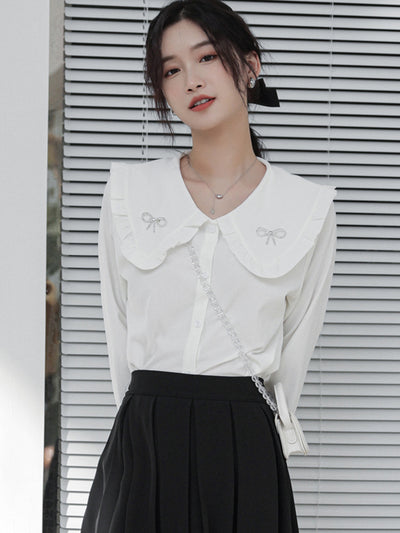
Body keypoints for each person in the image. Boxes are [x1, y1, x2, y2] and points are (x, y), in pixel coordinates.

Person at [81, 1, 337, 532]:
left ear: (250, 64)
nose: (191, 80)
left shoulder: (307, 207)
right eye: (171, 70)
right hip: (144, 436)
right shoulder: (129, 192)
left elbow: (295, 349)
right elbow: (118, 326)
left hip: (244, 442)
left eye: (207, 57)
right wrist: (140, 420)